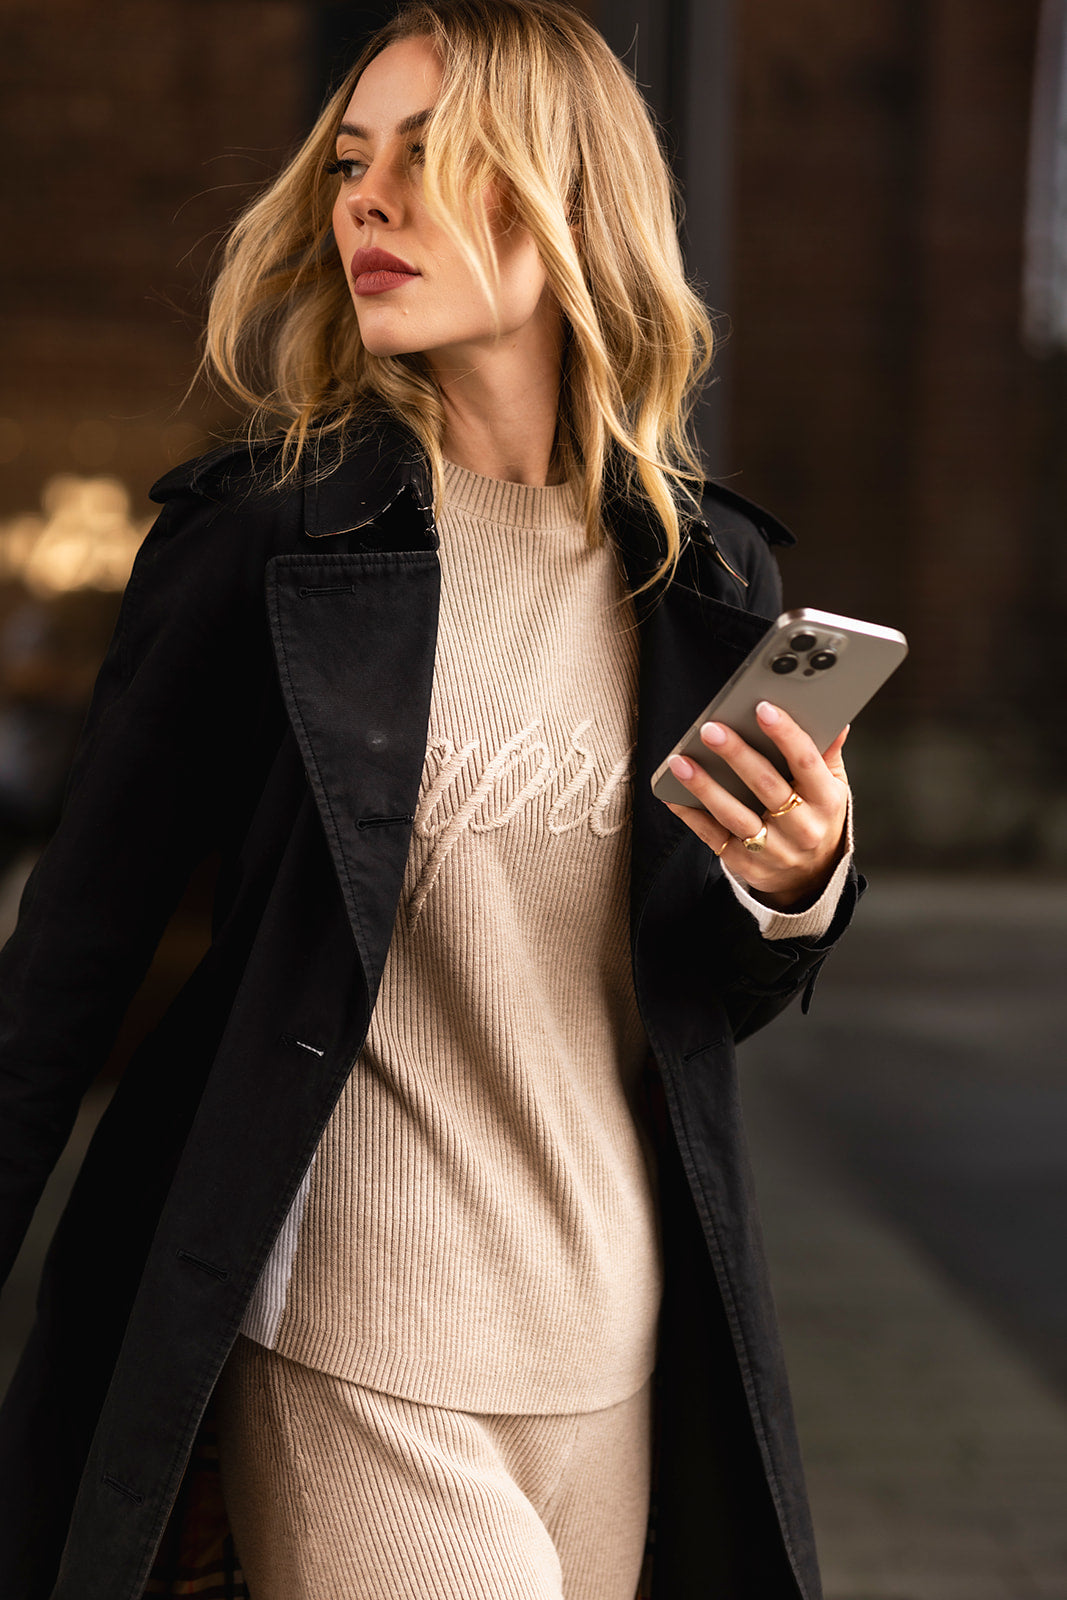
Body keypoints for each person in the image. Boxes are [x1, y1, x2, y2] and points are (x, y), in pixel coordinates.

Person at [0, 3, 860, 1597]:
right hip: (344, 1328)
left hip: (611, 1337)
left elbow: (685, 989)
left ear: (572, 203)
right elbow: (69, 963)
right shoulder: (269, 545)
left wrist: (792, 880)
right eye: (348, 161)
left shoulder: (710, 574)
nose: (366, 202)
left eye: (430, 157)